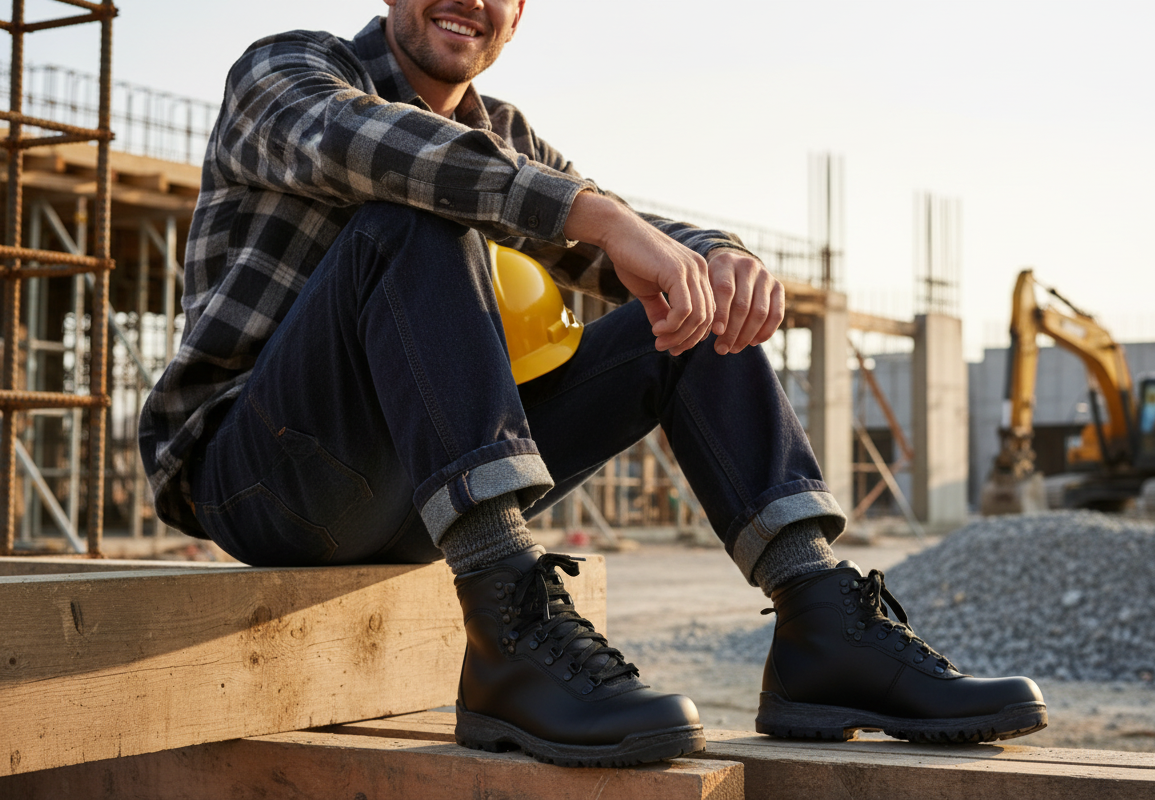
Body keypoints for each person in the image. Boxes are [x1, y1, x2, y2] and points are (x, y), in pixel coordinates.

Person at [139, 0, 1047, 768]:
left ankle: (818, 625)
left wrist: (715, 257)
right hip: (262, 479)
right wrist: (599, 217)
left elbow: (619, 232)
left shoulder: (506, 136)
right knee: (411, 213)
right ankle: (507, 628)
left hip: (409, 491)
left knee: (685, 310)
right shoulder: (284, 70)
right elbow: (375, 146)